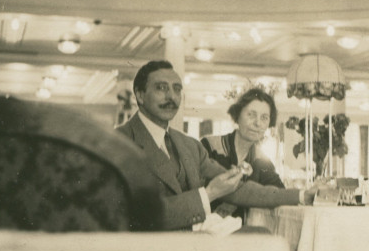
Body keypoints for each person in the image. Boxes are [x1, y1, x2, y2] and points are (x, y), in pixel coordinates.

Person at [116, 60, 315, 231]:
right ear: (140, 95)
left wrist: (302, 195)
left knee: (266, 241)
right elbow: (133, 216)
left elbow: (239, 189)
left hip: (197, 239)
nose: (171, 97)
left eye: (177, 89)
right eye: (161, 88)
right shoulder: (118, 143)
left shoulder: (189, 145)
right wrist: (209, 193)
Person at [201, 88, 285, 218]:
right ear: (237, 115)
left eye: (264, 118)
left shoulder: (262, 161)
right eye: (251, 115)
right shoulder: (210, 146)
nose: (257, 123)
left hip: (241, 234)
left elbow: (279, 193)